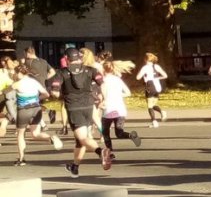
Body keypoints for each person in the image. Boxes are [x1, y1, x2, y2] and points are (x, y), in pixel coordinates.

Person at [60, 48, 112, 176]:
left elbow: (55, 91)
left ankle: (101, 152)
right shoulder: (91, 70)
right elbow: (103, 84)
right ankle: (75, 167)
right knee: (80, 140)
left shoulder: (62, 72)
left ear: (67, 58)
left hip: (74, 108)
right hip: (89, 106)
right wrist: (105, 98)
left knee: (83, 138)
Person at [12, 63, 62, 164]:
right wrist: (35, 99)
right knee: (35, 134)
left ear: (20, 73)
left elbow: (4, 93)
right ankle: (51, 137)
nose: (15, 75)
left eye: (16, 73)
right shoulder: (34, 82)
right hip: (36, 109)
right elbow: (46, 94)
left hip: (23, 110)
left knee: (20, 134)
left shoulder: (16, 84)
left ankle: (21, 159)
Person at [99, 60, 142, 159]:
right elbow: (128, 92)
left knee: (105, 133)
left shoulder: (103, 81)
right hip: (120, 110)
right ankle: (131, 135)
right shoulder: (118, 79)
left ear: (103, 70)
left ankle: (110, 153)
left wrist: (102, 101)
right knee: (119, 133)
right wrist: (118, 95)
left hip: (108, 110)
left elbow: (103, 95)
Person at [135, 53, 167, 126]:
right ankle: (162, 112)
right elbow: (165, 75)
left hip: (150, 86)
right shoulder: (157, 66)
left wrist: (144, 76)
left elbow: (138, 77)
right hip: (157, 87)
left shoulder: (145, 68)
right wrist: (157, 78)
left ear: (145, 59)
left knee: (149, 105)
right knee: (154, 104)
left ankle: (154, 121)